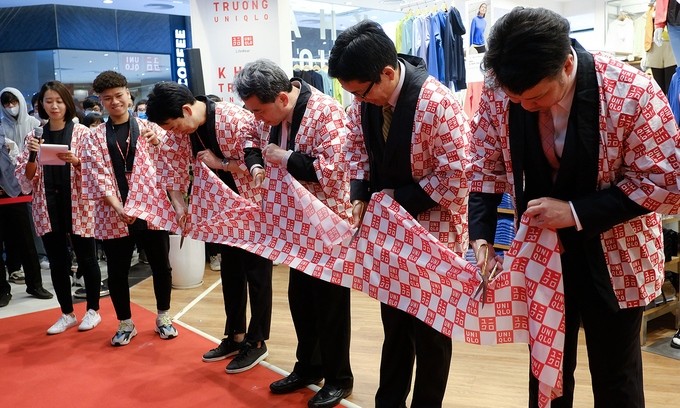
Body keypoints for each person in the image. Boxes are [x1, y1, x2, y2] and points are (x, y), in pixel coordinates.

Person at [466, 7, 680, 408]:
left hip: (616, 256)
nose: (525, 107)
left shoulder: (631, 92)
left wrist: (576, 212)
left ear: (567, 64)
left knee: (617, 377)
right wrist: (480, 237)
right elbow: (484, 168)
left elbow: (666, 183)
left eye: (536, 97)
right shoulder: (502, 93)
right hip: (540, 256)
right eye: (516, 99)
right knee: (545, 371)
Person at [328, 20, 470, 408]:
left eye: (362, 92)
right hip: (388, 233)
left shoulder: (438, 103)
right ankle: (388, 401)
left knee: (432, 332)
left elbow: (457, 177)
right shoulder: (364, 101)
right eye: (352, 94)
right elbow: (356, 150)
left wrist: (395, 199)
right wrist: (358, 194)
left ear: (387, 74)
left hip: (434, 234)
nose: (358, 100)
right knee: (394, 325)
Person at [234, 59, 354, 408]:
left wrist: (285, 157)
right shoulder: (266, 115)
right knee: (301, 301)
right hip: (293, 226)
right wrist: (257, 163)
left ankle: (339, 379)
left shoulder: (325, 112)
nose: (256, 118)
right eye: (251, 110)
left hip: (328, 225)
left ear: (282, 98)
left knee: (330, 307)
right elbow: (250, 139)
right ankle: (308, 367)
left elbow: (334, 173)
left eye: (259, 110)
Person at [145, 81, 274, 374]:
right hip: (222, 213)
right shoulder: (179, 132)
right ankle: (235, 335)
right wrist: (179, 205)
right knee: (231, 273)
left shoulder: (235, 118)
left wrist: (222, 163)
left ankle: (256, 343)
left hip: (255, 206)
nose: (172, 133)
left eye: (173, 125)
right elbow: (171, 168)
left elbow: (263, 165)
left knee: (257, 274)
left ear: (187, 109)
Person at [81, 70, 185, 346]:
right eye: (107, 98)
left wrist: (161, 143)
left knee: (161, 266)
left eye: (118, 95)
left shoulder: (152, 128)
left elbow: (175, 160)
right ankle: (125, 323)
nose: (114, 102)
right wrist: (118, 206)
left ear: (128, 94)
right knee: (116, 271)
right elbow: (97, 175)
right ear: (100, 101)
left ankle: (163, 316)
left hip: (152, 208)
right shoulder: (94, 137)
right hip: (114, 211)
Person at [17, 80, 102, 334]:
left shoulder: (83, 133)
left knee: (87, 257)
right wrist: (33, 153)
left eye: (59, 101)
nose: (54, 106)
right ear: (41, 105)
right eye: (48, 101)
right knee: (56, 261)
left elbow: (96, 170)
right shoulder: (34, 135)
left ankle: (93, 310)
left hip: (78, 202)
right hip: (47, 203)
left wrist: (76, 161)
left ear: (67, 103)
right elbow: (27, 177)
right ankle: (67, 313)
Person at [0, 133, 54, 307]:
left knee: (26, 240)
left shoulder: (7, 141)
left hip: (13, 193)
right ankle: (1, 290)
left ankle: (35, 285)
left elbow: (19, 163)